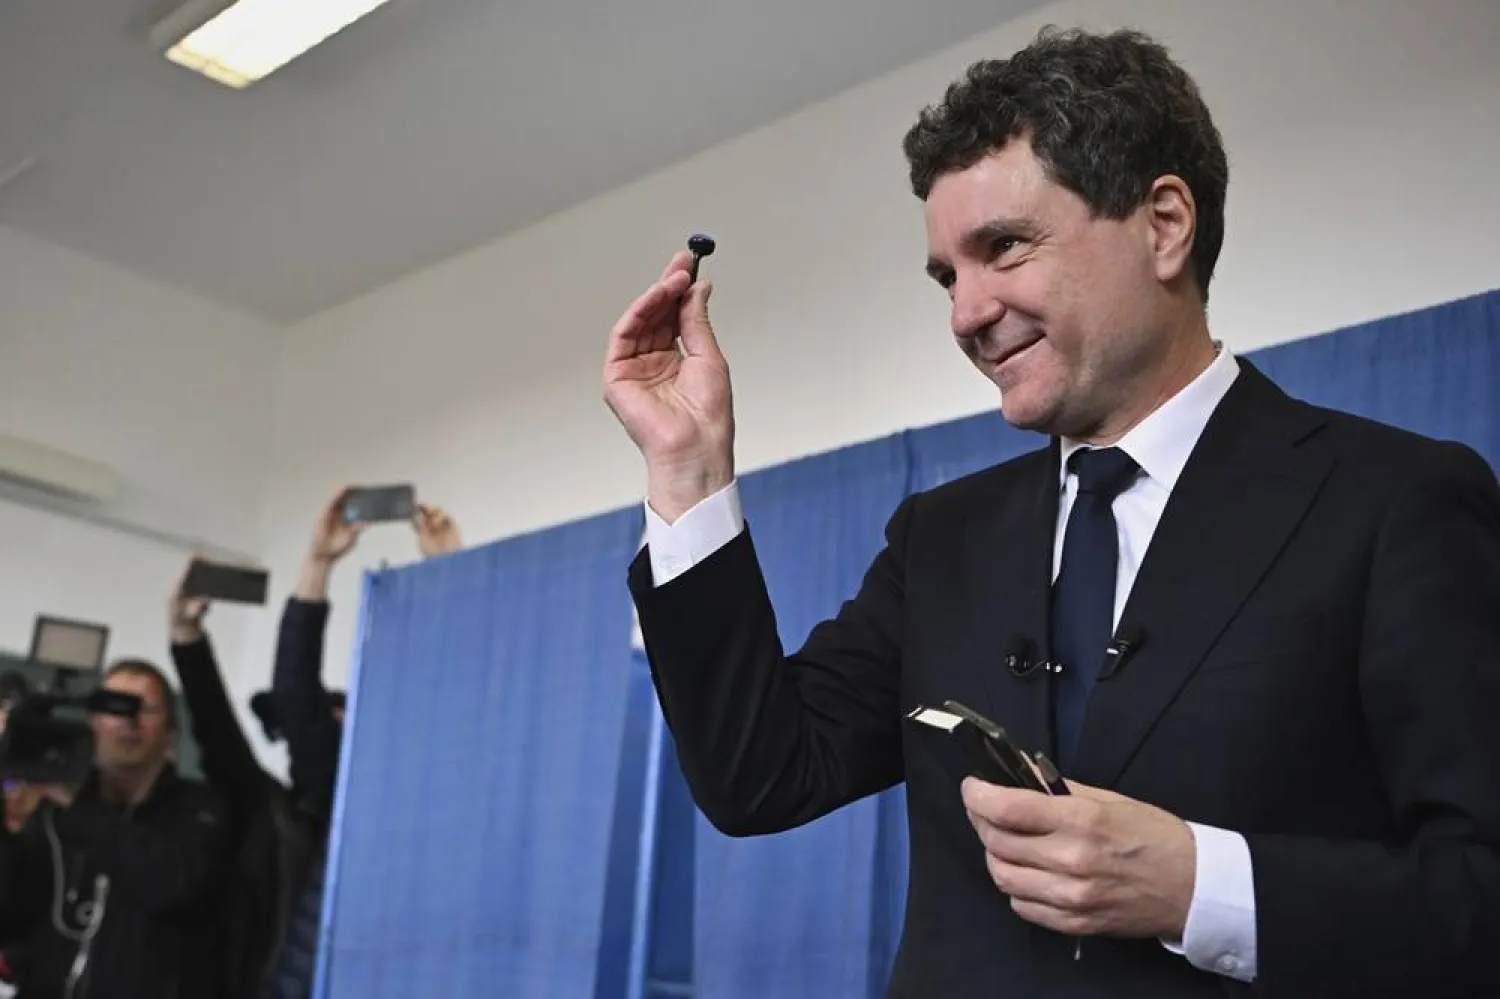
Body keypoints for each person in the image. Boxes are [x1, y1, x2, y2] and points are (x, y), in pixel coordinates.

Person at [602, 25, 1500, 999]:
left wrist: (1199, 886)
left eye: (1004, 248)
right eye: (948, 277)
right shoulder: (937, 540)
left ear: (1164, 224)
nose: (966, 314)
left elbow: (1476, 898)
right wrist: (687, 468)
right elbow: (759, 776)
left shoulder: (1393, 502)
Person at [265, 491, 462, 999]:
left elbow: (482, 681)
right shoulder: (352, 773)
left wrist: (457, 575)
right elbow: (294, 692)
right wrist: (317, 564)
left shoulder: (464, 775)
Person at [0, 659, 230, 998]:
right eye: (114, 707)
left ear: (170, 733)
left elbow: (168, 885)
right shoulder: (54, 813)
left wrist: (79, 805)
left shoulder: (198, 810)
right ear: (93, 721)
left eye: (146, 709)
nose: (129, 720)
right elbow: (10, 912)